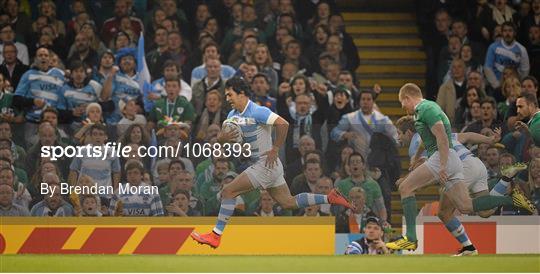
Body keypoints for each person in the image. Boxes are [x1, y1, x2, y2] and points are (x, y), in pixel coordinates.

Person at [190, 77, 353, 248]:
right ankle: (329, 198)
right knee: (288, 202)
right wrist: (221, 139)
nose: (228, 98)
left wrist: (275, 148)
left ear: (242, 94)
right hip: (268, 166)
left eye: (230, 94)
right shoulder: (232, 115)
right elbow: (228, 140)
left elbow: (283, 124)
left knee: (228, 191)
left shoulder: (258, 111)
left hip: (265, 164)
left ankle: (216, 235)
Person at [386, 83, 533, 252]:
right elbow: (462, 136)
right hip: (465, 161)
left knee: (407, 188)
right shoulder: (426, 114)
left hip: (451, 161)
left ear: (407, 98)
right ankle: (508, 196)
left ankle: (411, 238)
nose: (402, 107)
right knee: (470, 207)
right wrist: (491, 140)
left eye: (402, 102)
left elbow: (441, 138)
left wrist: (439, 167)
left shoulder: (425, 109)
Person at [484, 22, 529, 90]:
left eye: (510, 30)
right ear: (502, 33)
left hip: (515, 87)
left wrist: (518, 85)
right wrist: (497, 85)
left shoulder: (522, 50)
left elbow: (525, 70)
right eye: (505, 31)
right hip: (497, 86)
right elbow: (487, 68)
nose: (507, 33)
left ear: (515, 33)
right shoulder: (493, 47)